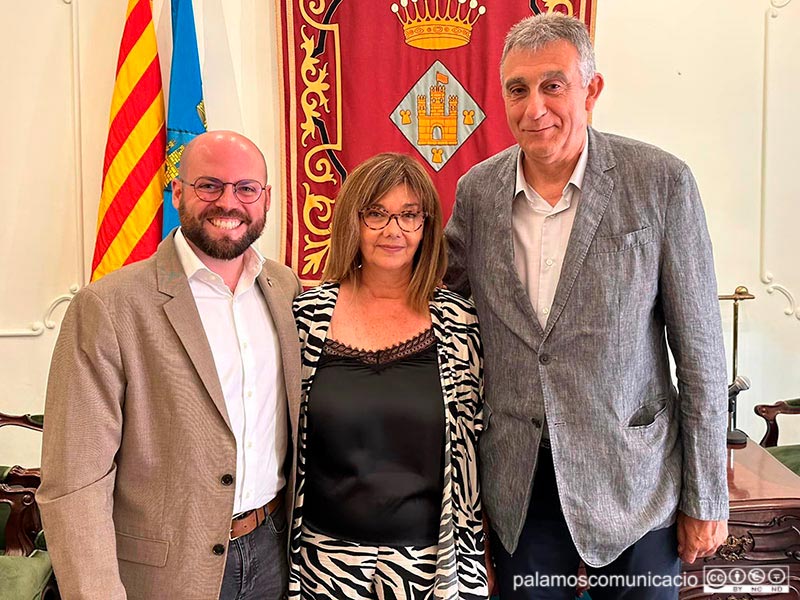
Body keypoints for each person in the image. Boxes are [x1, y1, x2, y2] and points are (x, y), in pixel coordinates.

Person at [444, 13, 729, 600]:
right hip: (521, 486)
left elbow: (700, 353)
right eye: (517, 90)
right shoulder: (476, 192)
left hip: (636, 482)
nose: (534, 108)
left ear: (591, 90)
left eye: (553, 85)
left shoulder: (661, 182)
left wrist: (706, 496)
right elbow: (441, 300)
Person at [38, 131, 301, 600]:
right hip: (162, 574)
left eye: (246, 188)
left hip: (272, 554)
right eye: (209, 186)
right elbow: (74, 484)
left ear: (265, 198)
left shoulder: (285, 289)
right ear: (177, 191)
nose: (228, 202)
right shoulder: (108, 306)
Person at [288, 153, 488, 600]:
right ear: (352, 222)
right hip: (323, 564)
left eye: (409, 215)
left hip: (434, 565)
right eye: (376, 213)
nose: (393, 230)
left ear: (427, 225)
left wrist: (482, 551)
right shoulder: (306, 317)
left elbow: (477, 445)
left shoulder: (459, 321)